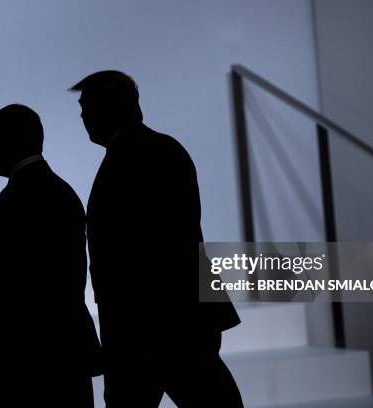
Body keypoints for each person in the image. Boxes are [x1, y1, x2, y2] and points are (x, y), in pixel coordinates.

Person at [70, 71, 243, 407]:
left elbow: (158, 250)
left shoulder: (133, 158)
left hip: (153, 328)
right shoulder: (158, 151)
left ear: (108, 109)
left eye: (86, 107)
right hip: (167, 325)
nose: (83, 117)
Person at [0, 104, 101, 407]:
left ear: (10, 141)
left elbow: (10, 284)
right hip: (65, 352)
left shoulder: (17, 196)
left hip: (26, 357)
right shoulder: (60, 191)